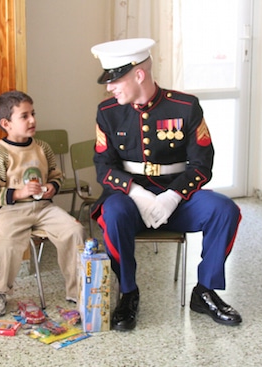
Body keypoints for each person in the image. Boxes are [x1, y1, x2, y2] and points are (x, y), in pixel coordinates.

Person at [90, 38, 242, 331]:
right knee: (113, 213)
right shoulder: (107, 112)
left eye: (116, 79)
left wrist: (172, 196)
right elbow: (103, 166)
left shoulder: (185, 107)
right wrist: (136, 193)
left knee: (225, 210)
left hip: (178, 199)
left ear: (139, 74)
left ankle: (205, 292)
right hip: (129, 200)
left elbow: (202, 163)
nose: (109, 87)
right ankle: (128, 293)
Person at [0, 90, 85, 317]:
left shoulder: (42, 148)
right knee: (6, 241)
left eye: (33, 114)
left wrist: (52, 187)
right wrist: (18, 193)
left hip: (44, 209)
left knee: (74, 229)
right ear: (6, 123)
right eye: (25, 116)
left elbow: (57, 176)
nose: (33, 120)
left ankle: (78, 289)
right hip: (12, 211)